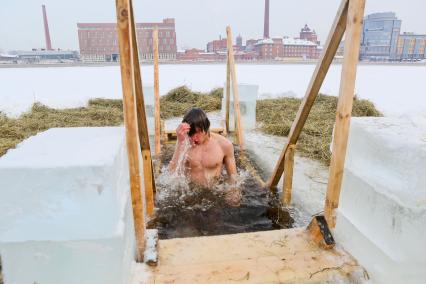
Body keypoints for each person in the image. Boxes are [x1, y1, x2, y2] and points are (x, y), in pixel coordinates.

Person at [168, 108, 241, 206]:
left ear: (206, 127)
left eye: (197, 132)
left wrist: (234, 191)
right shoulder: (184, 144)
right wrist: (180, 142)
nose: (194, 138)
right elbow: (171, 173)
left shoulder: (224, 145)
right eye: (191, 133)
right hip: (189, 196)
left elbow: (233, 176)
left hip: (214, 195)